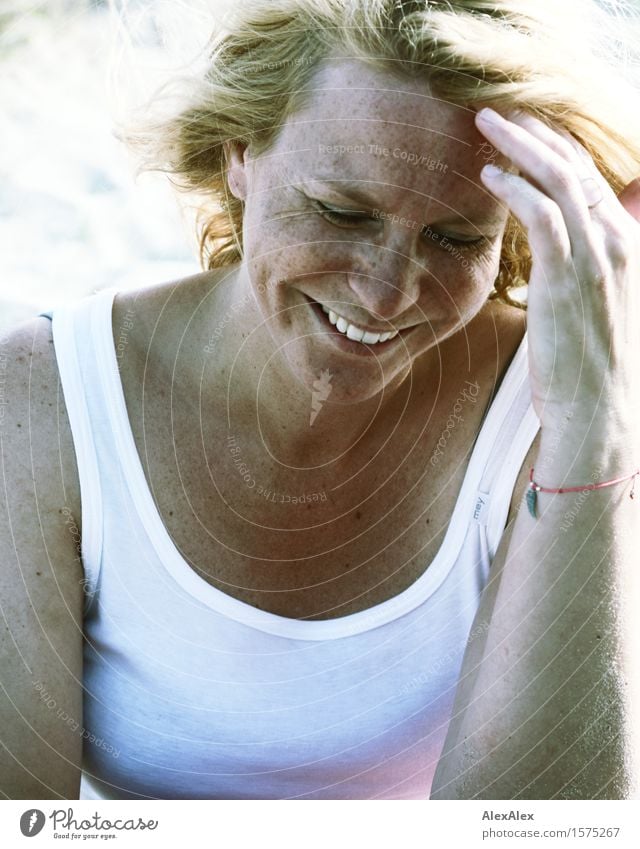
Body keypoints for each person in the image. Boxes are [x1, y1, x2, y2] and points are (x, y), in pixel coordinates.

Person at [1, 0, 639, 800]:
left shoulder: (562, 404)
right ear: (240, 151)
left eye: (456, 238)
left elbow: (545, 829)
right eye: (342, 212)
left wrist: (593, 437)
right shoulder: (40, 397)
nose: (385, 293)